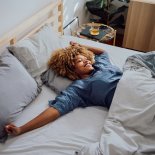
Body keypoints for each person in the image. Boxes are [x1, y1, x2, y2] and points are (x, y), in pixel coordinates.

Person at [5, 41, 122, 136]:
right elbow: (56, 110)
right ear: (72, 70)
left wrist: (81, 46)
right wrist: (21, 129)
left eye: (85, 58)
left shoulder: (100, 64)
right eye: (79, 61)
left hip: (134, 81)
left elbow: (103, 53)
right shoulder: (80, 88)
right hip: (126, 99)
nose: (86, 60)